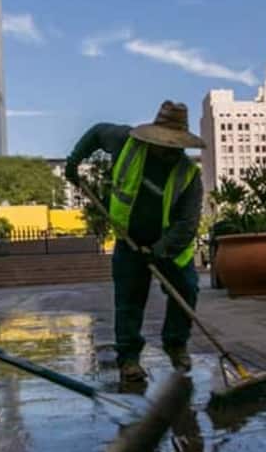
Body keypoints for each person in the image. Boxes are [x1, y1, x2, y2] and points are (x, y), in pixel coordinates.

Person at [65, 101, 205, 383]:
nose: (168, 150)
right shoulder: (125, 142)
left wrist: (159, 250)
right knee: (129, 300)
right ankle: (128, 359)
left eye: (174, 146)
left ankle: (175, 343)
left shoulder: (188, 175)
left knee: (187, 288)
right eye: (164, 143)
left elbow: (186, 224)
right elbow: (96, 132)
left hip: (168, 246)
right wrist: (74, 161)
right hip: (129, 241)